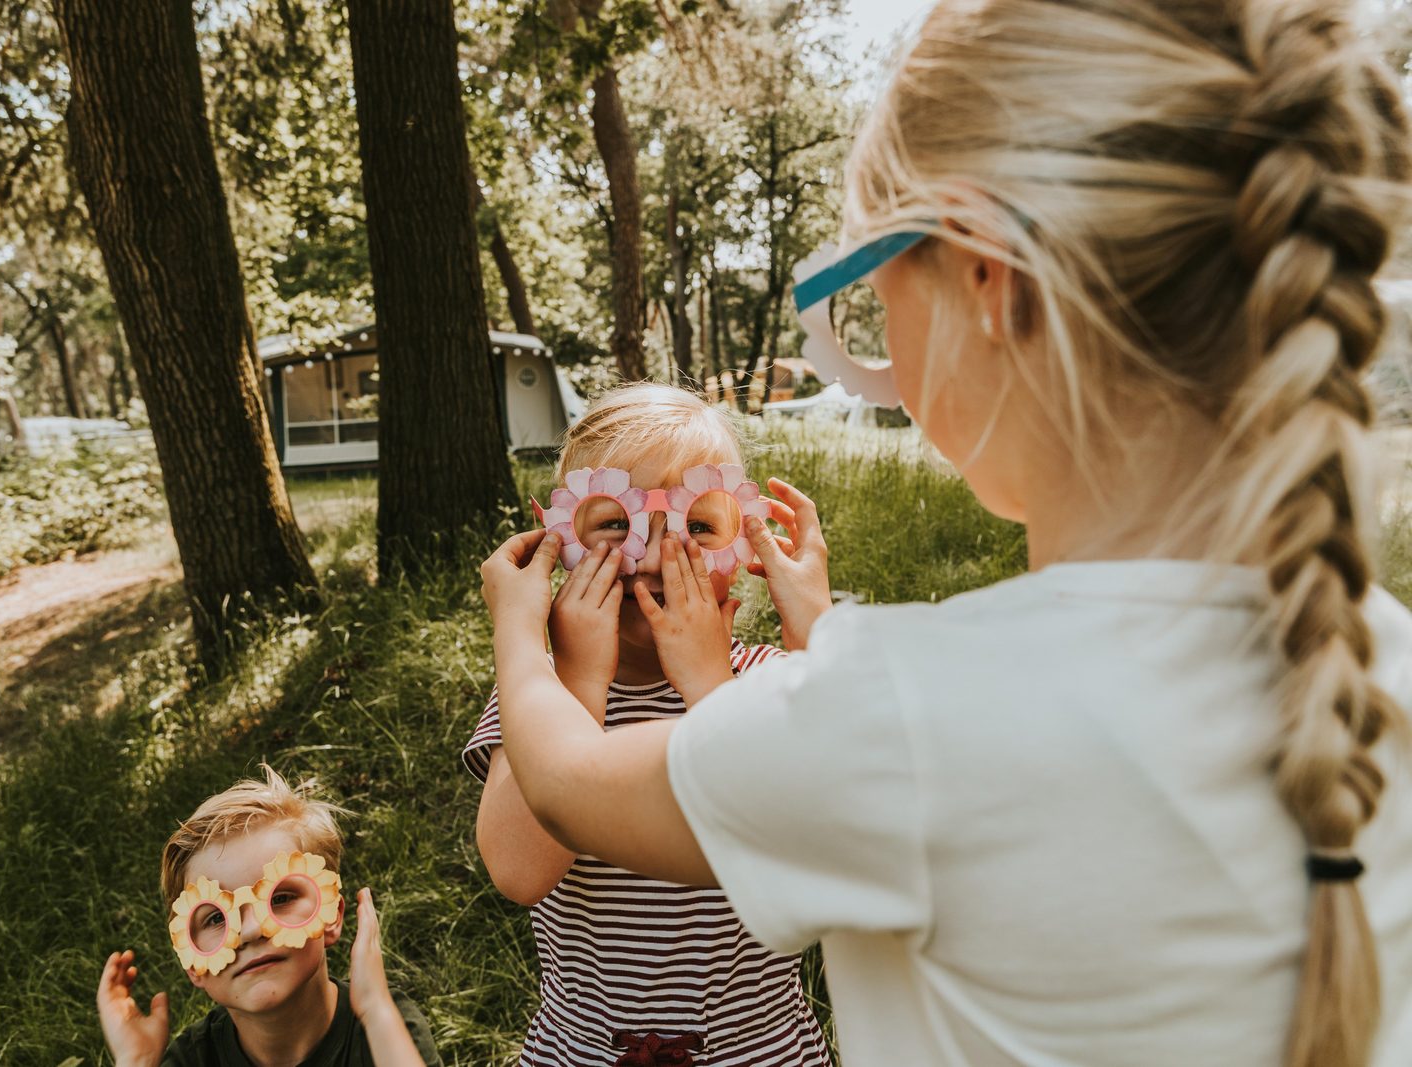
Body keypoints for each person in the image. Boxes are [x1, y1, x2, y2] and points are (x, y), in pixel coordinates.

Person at [478, 2, 1412, 1065]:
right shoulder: (1382, 663)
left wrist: (521, 628)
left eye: (868, 281)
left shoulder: (898, 708)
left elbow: (556, 781)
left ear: (983, 274)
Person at [466, 383, 832, 1065]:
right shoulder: (536, 703)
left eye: (698, 524)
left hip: (760, 1049)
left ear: (745, 540)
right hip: (581, 1051)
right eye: (614, 522)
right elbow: (519, 870)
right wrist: (575, 678)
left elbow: (829, 831)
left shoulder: (768, 682)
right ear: (559, 541)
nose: (658, 551)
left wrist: (719, 680)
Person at [96, 767, 442, 1067]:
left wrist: (376, 1012)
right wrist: (137, 1061)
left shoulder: (386, 1029)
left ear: (333, 916)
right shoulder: (194, 1060)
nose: (250, 929)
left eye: (281, 898)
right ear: (190, 962)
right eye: (216, 918)